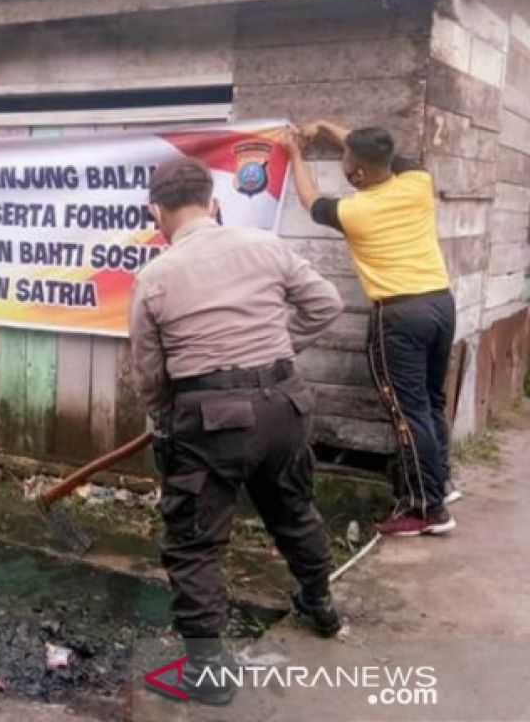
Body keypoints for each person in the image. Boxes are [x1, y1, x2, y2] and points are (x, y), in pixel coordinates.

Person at [130, 158, 344, 706]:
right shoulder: (264, 246)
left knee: (194, 544)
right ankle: (319, 604)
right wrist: (273, 350)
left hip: (211, 420)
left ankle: (207, 675)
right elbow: (327, 304)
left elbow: (150, 374)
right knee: (294, 510)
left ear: (157, 212)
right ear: (213, 201)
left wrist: (165, 419)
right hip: (286, 405)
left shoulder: (154, 278)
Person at [287, 122, 459, 537]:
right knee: (431, 402)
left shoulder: (355, 211)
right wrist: (326, 128)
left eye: (346, 161)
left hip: (400, 316)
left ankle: (426, 510)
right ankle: (439, 483)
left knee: (407, 411)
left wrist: (295, 152)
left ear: (355, 175)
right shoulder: (417, 182)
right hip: (439, 304)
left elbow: (310, 199)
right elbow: (370, 149)